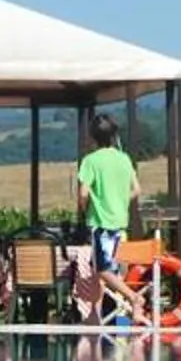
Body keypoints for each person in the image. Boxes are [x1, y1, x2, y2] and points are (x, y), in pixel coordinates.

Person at [76, 114, 138, 280]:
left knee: (101, 270)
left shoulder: (91, 161)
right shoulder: (124, 159)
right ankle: (114, 304)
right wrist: (121, 199)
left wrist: (85, 208)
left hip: (100, 223)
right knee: (118, 272)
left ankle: (131, 298)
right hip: (121, 223)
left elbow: (83, 193)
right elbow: (136, 189)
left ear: (92, 137)